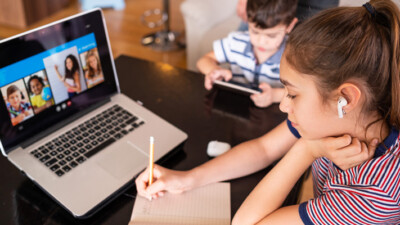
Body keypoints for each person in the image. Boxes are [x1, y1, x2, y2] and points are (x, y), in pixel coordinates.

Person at [232, 0, 400, 224]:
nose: (283, 105)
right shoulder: (338, 119)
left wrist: (306, 150)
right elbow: (263, 149)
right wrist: (187, 180)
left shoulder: (375, 194)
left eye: (292, 94)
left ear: (345, 99)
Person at [197, 0, 298, 108]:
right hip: (235, 107)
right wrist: (213, 70)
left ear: (290, 25)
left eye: (271, 35)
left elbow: (301, 92)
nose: (261, 41)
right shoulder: (237, 42)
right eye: (255, 31)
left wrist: (274, 95)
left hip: (273, 113)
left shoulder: (294, 55)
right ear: (248, 21)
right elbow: (203, 61)